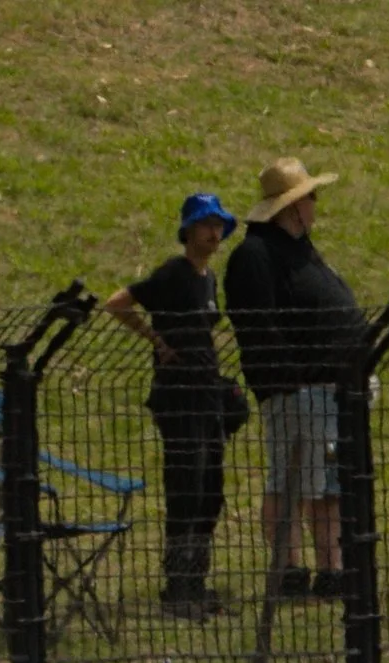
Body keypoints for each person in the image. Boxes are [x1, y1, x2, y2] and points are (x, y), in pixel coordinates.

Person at [224, 159, 364, 601]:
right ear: (292, 205)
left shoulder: (301, 248)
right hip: (296, 390)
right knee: (295, 481)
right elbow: (257, 323)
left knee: (328, 483)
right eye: (310, 196)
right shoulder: (256, 254)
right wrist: (290, 375)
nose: (315, 205)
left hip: (332, 387)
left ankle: (332, 568)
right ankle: (290, 568)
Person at [106, 193, 242, 619]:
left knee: (210, 492)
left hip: (207, 397)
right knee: (187, 487)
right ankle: (177, 585)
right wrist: (155, 340)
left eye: (219, 224)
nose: (214, 232)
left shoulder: (208, 280)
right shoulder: (172, 274)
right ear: (188, 230)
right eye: (206, 224)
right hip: (179, 398)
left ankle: (197, 581)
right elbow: (117, 303)